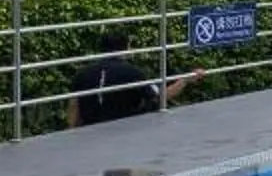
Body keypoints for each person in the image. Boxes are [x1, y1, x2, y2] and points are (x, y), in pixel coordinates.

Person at [69, 42, 199, 126]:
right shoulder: (132, 72)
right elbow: (159, 97)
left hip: (89, 130)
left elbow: (74, 106)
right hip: (123, 128)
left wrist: (72, 132)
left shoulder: (82, 73)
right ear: (125, 50)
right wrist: (185, 80)